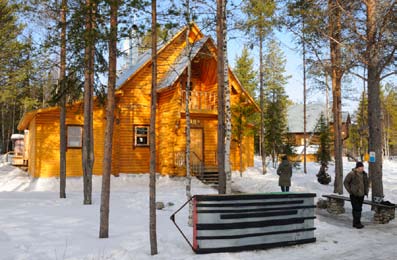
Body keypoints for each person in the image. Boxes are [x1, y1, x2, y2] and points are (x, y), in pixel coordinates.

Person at [343, 161, 369, 229]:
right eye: (360, 167)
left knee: (358, 209)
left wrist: (366, 191)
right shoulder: (352, 174)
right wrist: (350, 191)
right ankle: (357, 223)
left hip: (361, 194)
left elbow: (366, 183)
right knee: (357, 208)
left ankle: (355, 222)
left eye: (362, 167)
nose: (362, 169)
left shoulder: (364, 174)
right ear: (357, 168)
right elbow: (345, 182)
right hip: (354, 194)